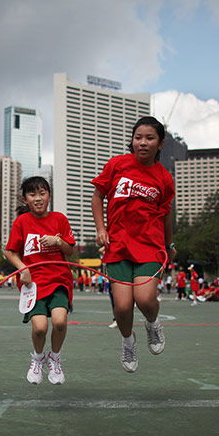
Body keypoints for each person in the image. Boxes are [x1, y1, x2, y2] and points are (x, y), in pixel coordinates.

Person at [91, 116, 176, 373]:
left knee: (146, 299)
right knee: (123, 306)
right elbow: (98, 196)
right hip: (118, 245)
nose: (142, 142)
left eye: (149, 138)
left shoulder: (164, 178)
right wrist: (101, 229)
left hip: (150, 245)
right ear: (132, 140)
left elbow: (165, 216)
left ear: (160, 144)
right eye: (138, 137)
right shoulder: (117, 164)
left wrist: (170, 245)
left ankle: (153, 324)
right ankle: (128, 341)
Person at [5, 176, 75, 385]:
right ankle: (37, 358)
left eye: (42, 193)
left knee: (60, 323)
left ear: (49, 196)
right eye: (32, 194)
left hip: (59, 279)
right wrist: (23, 268)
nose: (38, 198)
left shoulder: (59, 219)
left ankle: (55, 358)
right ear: (25, 199)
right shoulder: (21, 222)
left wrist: (58, 240)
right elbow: (10, 252)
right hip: (33, 284)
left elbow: (70, 250)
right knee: (40, 328)